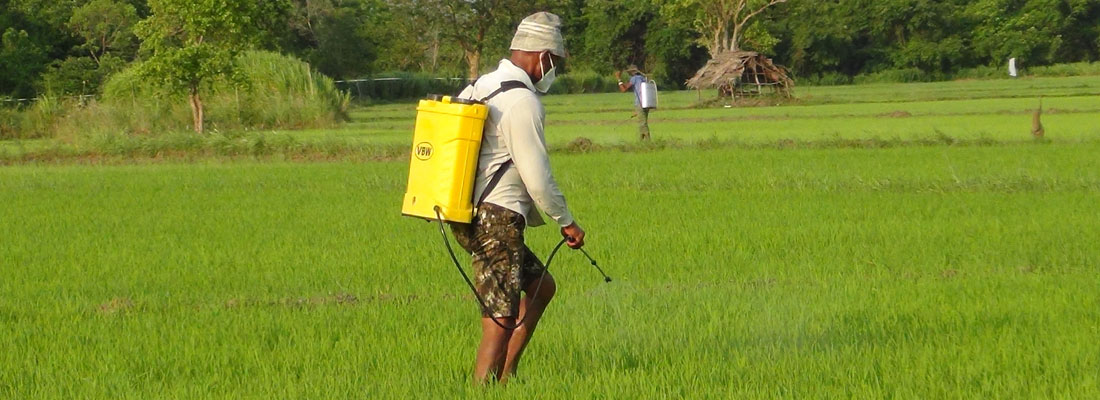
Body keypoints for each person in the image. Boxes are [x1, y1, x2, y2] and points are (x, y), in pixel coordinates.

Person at [452, 11, 585, 385]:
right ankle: (482, 388)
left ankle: (506, 377)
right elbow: (537, 176)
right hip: (496, 216)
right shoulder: (523, 102)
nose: (554, 69)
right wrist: (566, 221)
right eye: (555, 61)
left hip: (468, 211)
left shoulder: (480, 86)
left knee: (542, 287)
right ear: (541, 55)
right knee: (501, 315)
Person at [615, 65, 651, 140]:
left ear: (632, 72)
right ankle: (641, 142)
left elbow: (623, 89)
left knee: (642, 124)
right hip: (646, 104)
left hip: (640, 104)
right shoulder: (643, 78)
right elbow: (626, 86)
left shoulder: (634, 79)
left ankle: (649, 141)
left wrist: (618, 78)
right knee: (643, 122)